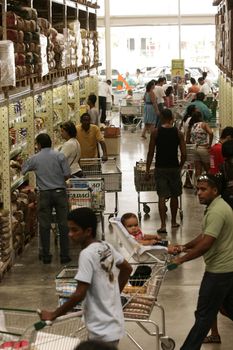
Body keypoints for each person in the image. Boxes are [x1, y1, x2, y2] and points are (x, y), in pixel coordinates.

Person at [40, 207, 132, 346]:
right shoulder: (105, 246)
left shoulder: (86, 254)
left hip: (101, 328)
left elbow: (79, 293)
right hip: (113, 322)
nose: (70, 234)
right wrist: (114, 293)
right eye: (69, 229)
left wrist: (54, 314)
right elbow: (127, 268)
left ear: (88, 231)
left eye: (75, 230)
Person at [168, 174, 233, 350]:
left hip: (219, 271)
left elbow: (206, 244)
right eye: (197, 189)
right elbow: (204, 235)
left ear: (215, 190)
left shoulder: (218, 211)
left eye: (203, 189)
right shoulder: (214, 207)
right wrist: (184, 247)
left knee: (204, 314)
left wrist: (181, 260)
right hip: (226, 269)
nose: (199, 193)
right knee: (227, 309)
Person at [21, 133, 71, 264]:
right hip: (60, 192)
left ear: (39, 144)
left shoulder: (35, 158)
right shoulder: (60, 155)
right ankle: (64, 255)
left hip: (44, 194)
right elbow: (67, 174)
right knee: (63, 224)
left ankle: (46, 255)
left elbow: (23, 170)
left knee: (44, 225)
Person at [146, 109, 186, 234]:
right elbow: (184, 154)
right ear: (172, 118)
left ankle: (163, 225)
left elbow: (151, 152)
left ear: (162, 118)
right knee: (175, 195)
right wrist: (180, 166)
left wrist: (147, 169)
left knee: (162, 196)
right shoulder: (179, 133)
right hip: (173, 167)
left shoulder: (156, 132)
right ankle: (173, 222)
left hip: (160, 168)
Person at [186, 111, 213, 179]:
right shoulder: (203, 124)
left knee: (198, 170)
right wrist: (209, 145)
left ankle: (198, 186)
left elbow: (187, 140)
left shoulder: (192, 126)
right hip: (203, 148)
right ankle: (209, 185)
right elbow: (211, 133)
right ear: (200, 117)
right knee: (208, 169)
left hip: (194, 148)